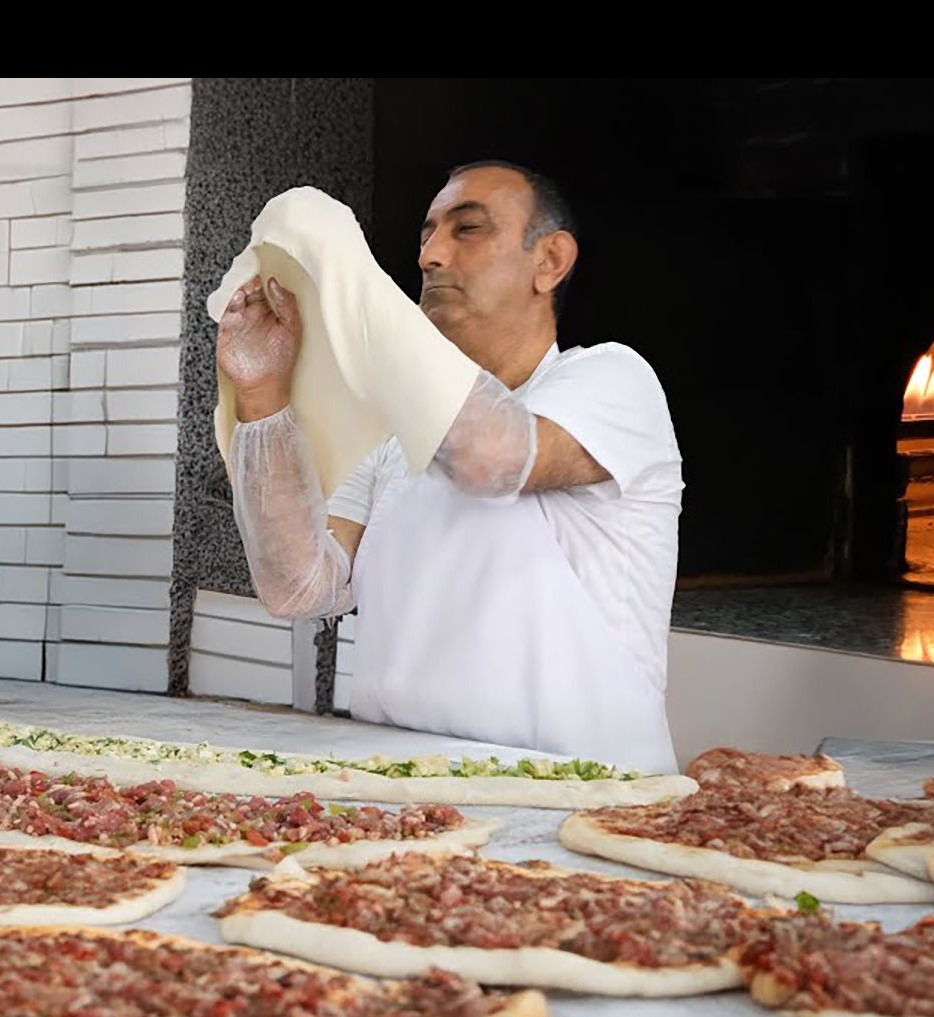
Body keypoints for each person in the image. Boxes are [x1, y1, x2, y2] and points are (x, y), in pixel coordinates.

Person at [216, 161, 683, 773]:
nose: (431, 256)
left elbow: (493, 457)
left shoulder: (612, 380)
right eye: (426, 235)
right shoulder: (391, 431)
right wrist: (262, 395)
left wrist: (357, 289)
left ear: (550, 261)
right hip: (406, 794)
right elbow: (300, 588)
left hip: (586, 794)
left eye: (467, 230)